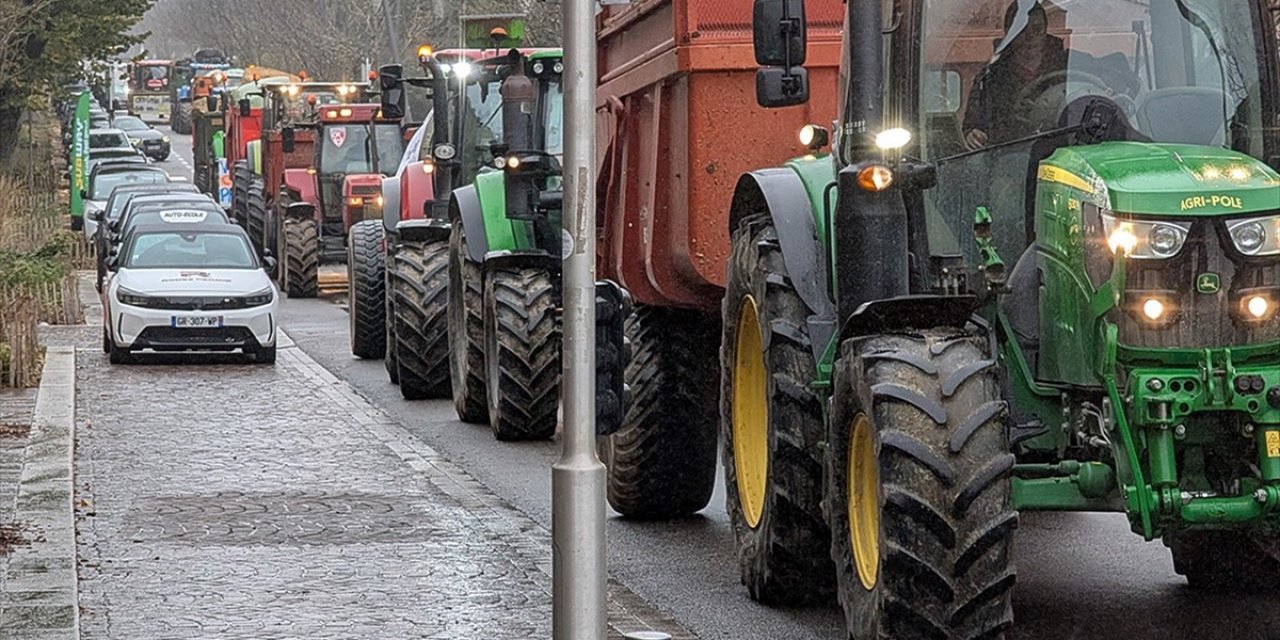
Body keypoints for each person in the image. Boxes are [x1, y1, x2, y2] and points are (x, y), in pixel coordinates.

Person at [963, 2, 1068, 149]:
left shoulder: (1069, 64)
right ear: (1009, 33)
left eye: (1037, 29)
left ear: (1045, 31)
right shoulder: (990, 78)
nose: (1030, 37)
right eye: (1022, 29)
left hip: (1065, 149)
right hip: (1010, 154)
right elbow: (972, 126)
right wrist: (971, 134)